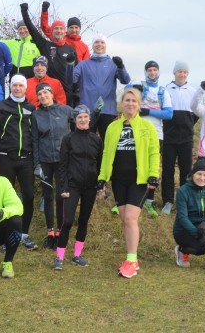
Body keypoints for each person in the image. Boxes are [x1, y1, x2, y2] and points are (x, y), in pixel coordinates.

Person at [96, 88, 160, 278]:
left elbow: (154, 152)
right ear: (121, 104)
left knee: (131, 218)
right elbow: (106, 153)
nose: (130, 104)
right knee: (124, 219)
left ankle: (131, 260)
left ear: (139, 105)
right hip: (118, 179)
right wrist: (102, 177)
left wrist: (153, 174)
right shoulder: (112, 127)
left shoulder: (147, 127)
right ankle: (131, 257)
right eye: (127, 100)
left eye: (134, 101)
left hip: (138, 180)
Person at [0, 75, 37, 250]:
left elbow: (34, 134)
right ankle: (5, 236)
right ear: (10, 87)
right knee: (5, 199)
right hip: (5, 158)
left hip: (25, 159)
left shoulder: (31, 108)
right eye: (14, 85)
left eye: (21, 85)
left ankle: (24, 234)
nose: (17, 88)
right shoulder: (1, 106)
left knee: (28, 196)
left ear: (25, 87)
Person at [54, 105, 103, 270]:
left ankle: (76, 255)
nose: (82, 120)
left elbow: (100, 162)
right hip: (72, 186)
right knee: (67, 221)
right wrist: (63, 187)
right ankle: (59, 257)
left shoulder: (96, 140)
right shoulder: (68, 139)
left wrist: (101, 183)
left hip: (90, 186)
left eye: (85, 117)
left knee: (83, 220)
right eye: (79, 117)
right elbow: (63, 165)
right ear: (75, 120)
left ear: (89, 118)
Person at [31, 82, 74, 249]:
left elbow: (83, 122)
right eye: (39, 94)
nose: (43, 96)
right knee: (47, 197)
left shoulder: (65, 110)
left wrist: (97, 112)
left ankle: (61, 234)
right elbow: (35, 140)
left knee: (60, 196)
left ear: (51, 94)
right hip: (45, 161)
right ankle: (50, 234)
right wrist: (37, 164)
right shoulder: (36, 115)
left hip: (63, 161)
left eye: (45, 93)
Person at [67, 33, 130, 138]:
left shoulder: (113, 63)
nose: (99, 44)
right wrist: (69, 64)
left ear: (106, 45)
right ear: (92, 45)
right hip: (88, 111)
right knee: (87, 142)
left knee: (109, 142)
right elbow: (70, 80)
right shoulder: (83, 64)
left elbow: (125, 80)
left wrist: (120, 66)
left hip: (108, 110)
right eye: (96, 42)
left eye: (102, 42)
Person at [162, 61, 202, 215]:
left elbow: (197, 112)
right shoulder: (166, 89)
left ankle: (184, 202)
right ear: (174, 73)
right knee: (167, 169)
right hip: (169, 137)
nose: (182, 74)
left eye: (185, 72)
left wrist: (188, 123)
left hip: (186, 138)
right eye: (179, 72)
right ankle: (168, 200)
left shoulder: (192, 91)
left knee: (186, 171)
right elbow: (162, 111)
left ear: (188, 74)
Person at [134, 61, 173, 216]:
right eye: (149, 70)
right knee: (135, 162)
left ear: (158, 72)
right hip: (138, 130)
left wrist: (149, 111)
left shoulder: (163, 91)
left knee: (153, 166)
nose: (152, 72)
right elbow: (126, 99)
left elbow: (169, 114)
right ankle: (134, 197)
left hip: (157, 132)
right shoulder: (139, 86)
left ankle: (149, 201)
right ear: (145, 72)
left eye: (154, 69)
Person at [20, 2, 77, 106]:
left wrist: (77, 90)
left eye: (61, 29)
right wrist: (24, 12)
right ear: (51, 31)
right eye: (56, 28)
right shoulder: (45, 45)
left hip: (67, 92)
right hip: (48, 90)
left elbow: (76, 72)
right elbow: (32, 29)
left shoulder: (71, 50)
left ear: (65, 32)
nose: (58, 31)